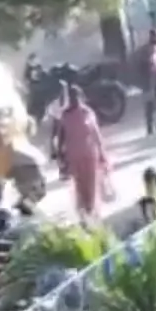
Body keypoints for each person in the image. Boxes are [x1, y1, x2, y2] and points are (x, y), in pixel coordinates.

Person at [55, 86, 110, 223]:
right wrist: (60, 157)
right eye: (72, 97)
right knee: (80, 187)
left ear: (81, 97)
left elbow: (96, 134)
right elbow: (60, 137)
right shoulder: (65, 115)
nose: (75, 100)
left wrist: (102, 153)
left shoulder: (87, 113)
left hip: (90, 155)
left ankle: (92, 214)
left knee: (91, 185)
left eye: (77, 97)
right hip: (74, 158)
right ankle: (84, 215)